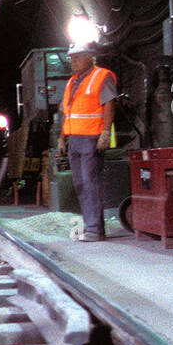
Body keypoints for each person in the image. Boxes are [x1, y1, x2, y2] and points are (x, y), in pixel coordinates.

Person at [56, 42, 117, 241]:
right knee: (81, 184)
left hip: (92, 138)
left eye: (77, 57)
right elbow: (68, 113)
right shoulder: (72, 82)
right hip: (74, 139)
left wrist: (105, 133)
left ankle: (94, 229)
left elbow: (109, 104)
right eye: (71, 58)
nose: (73, 61)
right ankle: (93, 227)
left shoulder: (101, 76)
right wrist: (62, 138)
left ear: (90, 56)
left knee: (91, 183)